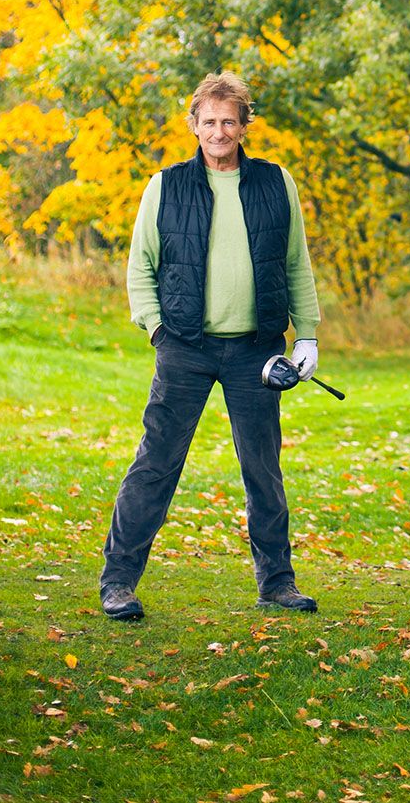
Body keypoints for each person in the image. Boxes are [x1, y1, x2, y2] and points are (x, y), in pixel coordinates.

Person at [99, 72, 322, 620]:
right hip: (184, 347)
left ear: (245, 126)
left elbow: (297, 264)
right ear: (193, 126)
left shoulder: (276, 183)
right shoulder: (165, 186)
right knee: (156, 464)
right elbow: (140, 268)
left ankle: (277, 584)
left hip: (257, 351)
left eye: (229, 121)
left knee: (263, 469)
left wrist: (307, 335)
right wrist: (156, 329)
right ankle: (118, 582)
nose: (219, 131)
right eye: (209, 121)